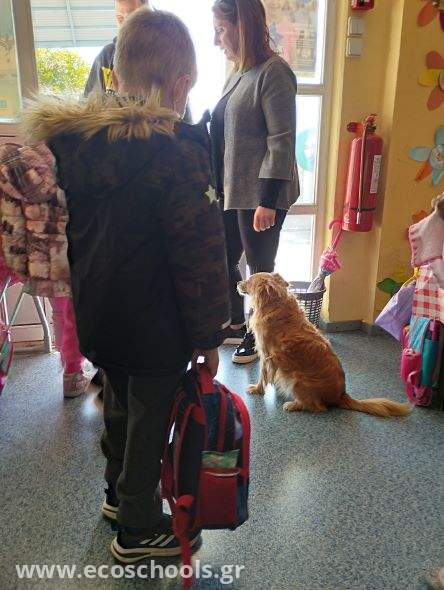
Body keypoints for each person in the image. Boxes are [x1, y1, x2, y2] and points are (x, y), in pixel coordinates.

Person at [25, 7, 230, 560]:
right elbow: (199, 256)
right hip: (157, 326)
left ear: (115, 76)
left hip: (100, 316)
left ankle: (117, 494)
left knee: (118, 401)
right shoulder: (179, 153)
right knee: (149, 420)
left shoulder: (78, 146)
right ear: (181, 85)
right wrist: (210, 335)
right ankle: (137, 528)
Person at [211, 0, 299, 364]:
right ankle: (237, 322)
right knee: (224, 258)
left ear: (242, 26)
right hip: (234, 189)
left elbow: (282, 139)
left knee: (260, 270)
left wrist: (268, 200)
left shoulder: (274, 72)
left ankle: (259, 335)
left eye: (220, 30)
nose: (216, 40)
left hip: (262, 192)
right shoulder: (239, 73)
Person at [84, 0, 150, 96]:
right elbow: (89, 100)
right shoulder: (106, 56)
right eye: (120, 18)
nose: (125, 26)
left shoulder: (163, 56)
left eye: (133, 18)